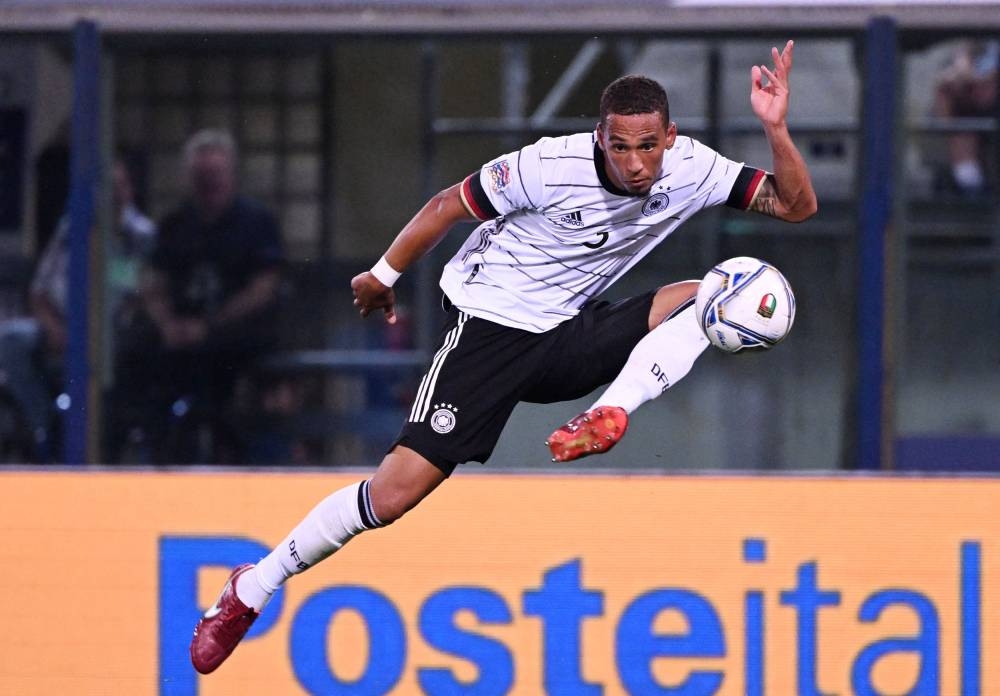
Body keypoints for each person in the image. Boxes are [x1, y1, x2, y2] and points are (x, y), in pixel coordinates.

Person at [189, 40, 817, 674]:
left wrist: (775, 128)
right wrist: (382, 275)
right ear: (599, 138)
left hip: (569, 334)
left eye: (648, 146)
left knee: (723, 293)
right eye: (620, 147)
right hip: (490, 327)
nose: (635, 163)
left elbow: (796, 205)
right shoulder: (547, 165)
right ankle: (251, 588)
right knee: (393, 497)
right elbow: (445, 207)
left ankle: (613, 413)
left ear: (670, 138)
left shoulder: (695, 169)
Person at [125, 128, 284, 463]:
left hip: (237, 337)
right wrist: (168, 323)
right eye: (200, 175)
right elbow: (153, 281)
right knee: (135, 356)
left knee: (229, 378)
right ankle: (152, 457)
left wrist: (210, 326)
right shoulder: (174, 225)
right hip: (179, 337)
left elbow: (264, 287)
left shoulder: (256, 222)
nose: (208, 183)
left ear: (231, 175)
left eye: (215, 174)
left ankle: (236, 459)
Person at [0, 156, 154, 461]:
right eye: (105, 188)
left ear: (130, 190)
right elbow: (40, 289)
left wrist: (93, 332)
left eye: (119, 187)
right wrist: (56, 328)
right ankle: (44, 425)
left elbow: (144, 295)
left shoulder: (143, 236)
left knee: (121, 347)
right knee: (10, 340)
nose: (113, 194)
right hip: (61, 328)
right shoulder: (73, 229)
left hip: (113, 333)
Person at [933, 39, 998, 196]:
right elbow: (949, 80)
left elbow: (987, 88)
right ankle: (971, 186)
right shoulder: (966, 53)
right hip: (968, 120)